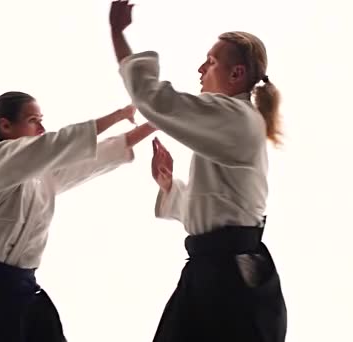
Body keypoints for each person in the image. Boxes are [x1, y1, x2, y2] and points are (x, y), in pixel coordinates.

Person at [109, 1, 287, 341]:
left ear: (237, 74)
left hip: (228, 281)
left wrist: (118, 34)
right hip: (217, 272)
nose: (200, 68)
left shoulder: (234, 117)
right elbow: (219, 212)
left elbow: (154, 99)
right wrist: (169, 187)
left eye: (212, 61)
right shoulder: (236, 120)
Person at [0, 90, 157, 342]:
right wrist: (121, 114)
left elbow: (99, 154)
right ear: (6, 126)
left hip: (23, 292)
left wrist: (156, 123)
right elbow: (60, 143)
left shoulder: (43, 176)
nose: (41, 127)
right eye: (33, 120)